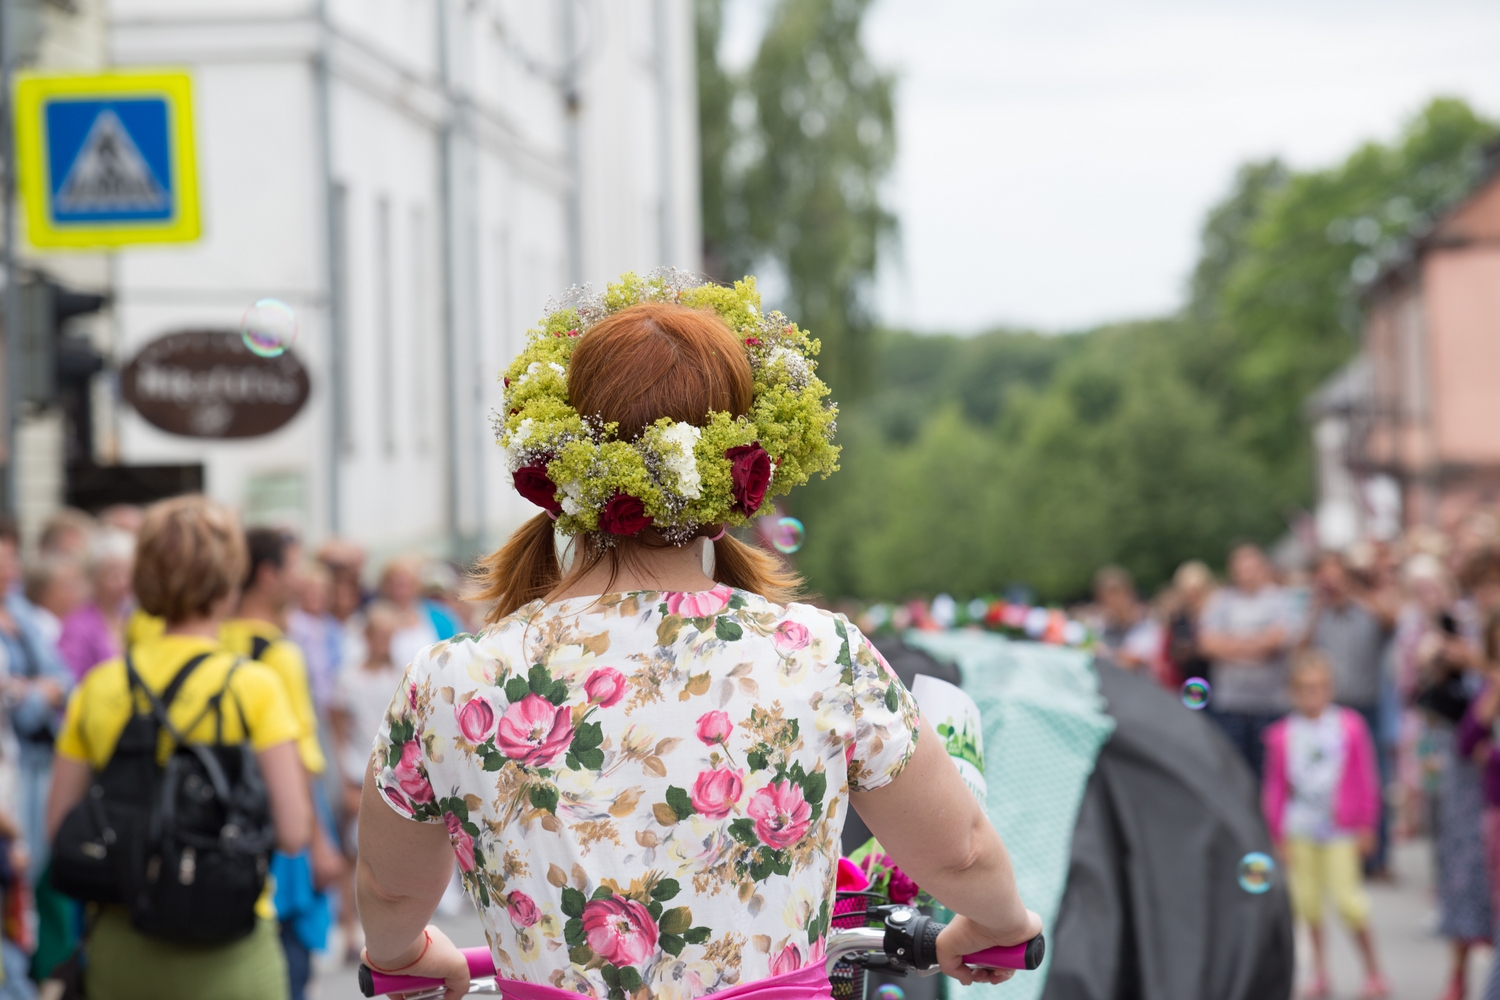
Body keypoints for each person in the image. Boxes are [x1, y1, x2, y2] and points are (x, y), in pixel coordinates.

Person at [354, 288, 1041, 999]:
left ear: (563, 468)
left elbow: (388, 886)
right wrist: (997, 925)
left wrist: (401, 953)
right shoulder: (819, 653)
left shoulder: (451, 677)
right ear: (736, 479)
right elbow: (958, 853)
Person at [43, 495, 311, 1000]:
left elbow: (59, 826)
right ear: (229, 579)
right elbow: (294, 831)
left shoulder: (100, 686)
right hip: (231, 941)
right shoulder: (253, 686)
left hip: (123, 942)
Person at [220, 528, 344, 1000]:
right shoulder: (279, 653)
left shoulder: (217, 639)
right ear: (268, 575)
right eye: (293, 566)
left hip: (226, 823)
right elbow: (300, 761)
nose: (301, 578)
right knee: (290, 959)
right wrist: (320, 844)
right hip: (280, 827)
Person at [1263, 650, 1386, 999]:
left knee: (1349, 901)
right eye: (1303, 688)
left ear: (1330, 689)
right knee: (1308, 903)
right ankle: (1320, 972)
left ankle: (1373, 970)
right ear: (1292, 691)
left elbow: (1366, 778)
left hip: (1340, 829)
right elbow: (1275, 787)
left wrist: (1366, 824)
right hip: (1299, 828)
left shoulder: (1349, 727)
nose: (1311, 695)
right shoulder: (1282, 734)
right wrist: (1276, 832)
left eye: (1318, 688)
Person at [1304, 552, 1395, 875]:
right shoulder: (1319, 613)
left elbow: (1390, 620)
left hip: (1365, 707)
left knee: (1372, 781)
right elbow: (1300, 647)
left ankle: (1378, 855)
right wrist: (1317, 605)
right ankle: (1335, 856)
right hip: (1331, 709)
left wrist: (1355, 591)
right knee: (1329, 782)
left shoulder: (1366, 609)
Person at [328, 602, 403, 958]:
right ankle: (348, 929)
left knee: (388, 856)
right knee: (350, 854)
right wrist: (342, 779)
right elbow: (338, 733)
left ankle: (388, 930)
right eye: (379, 635)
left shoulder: (400, 675)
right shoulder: (349, 678)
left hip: (391, 775)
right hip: (357, 772)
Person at [0, 521, 72, 877]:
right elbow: (22, 707)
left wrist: (26, 691)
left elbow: (64, 678)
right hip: (8, 761)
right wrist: (36, 693)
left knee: (35, 863)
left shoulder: (20, 610)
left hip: (37, 755)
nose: (11, 568)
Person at [1199, 543, 1298, 778]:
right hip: (1230, 704)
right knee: (1233, 772)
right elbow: (1207, 644)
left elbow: (1278, 640)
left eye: (1251, 568)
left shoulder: (1280, 599)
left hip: (1270, 704)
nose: (1246, 574)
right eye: (1241, 568)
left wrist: (1232, 644)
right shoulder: (1220, 601)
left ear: (1262, 568)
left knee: (1269, 773)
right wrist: (1256, 644)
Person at [57, 528, 136, 681]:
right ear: (94, 577)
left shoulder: (133, 616)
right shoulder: (78, 625)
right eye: (114, 574)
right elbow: (71, 679)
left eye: (127, 573)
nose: (123, 582)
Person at [378, 556, 460, 671]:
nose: (401, 591)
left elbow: (455, 652)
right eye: (396, 585)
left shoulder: (440, 616)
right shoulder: (375, 617)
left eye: (407, 585)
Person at [1090, 566, 1163, 676]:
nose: (1112, 600)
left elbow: (1136, 659)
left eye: (1115, 593)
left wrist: (1107, 653)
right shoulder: (1101, 627)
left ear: (1129, 593)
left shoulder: (1147, 624)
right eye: (1105, 596)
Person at [1164, 560, 1214, 691]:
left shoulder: (1215, 615)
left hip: (1213, 681)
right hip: (1188, 680)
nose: (1192, 596)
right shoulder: (1179, 618)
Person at [23, 557, 87, 647]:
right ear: (45, 592)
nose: (78, 591)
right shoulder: (41, 630)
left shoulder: (63, 623)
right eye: (69, 586)